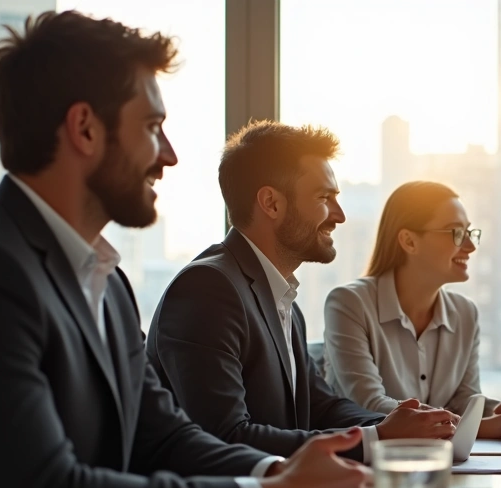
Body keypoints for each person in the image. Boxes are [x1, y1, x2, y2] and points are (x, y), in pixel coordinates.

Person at [0, 11, 372, 488]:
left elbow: (164, 436)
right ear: (85, 129)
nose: (171, 155)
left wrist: (281, 474)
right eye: (153, 126)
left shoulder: (106, 283)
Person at [147, 123, 457, 463]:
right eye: (324, 198)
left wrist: (405, 425)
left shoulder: (282, 300)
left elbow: (321, 406)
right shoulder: (207, 290)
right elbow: (225, 437)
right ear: (271, 203)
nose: (339, 216)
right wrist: (378, 438)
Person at [323, 181, 501, 439]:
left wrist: (500, 412)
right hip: (368, 466)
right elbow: (370, 405)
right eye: (456, 232)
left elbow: (464, 400)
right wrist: (479, 427)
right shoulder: (348, 304)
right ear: (409, 241)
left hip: (440, 462)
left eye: (470, 232)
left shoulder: (465, 313)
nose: (470, 246)